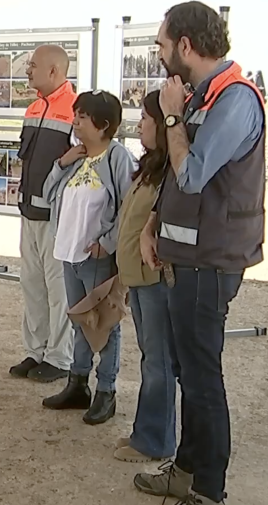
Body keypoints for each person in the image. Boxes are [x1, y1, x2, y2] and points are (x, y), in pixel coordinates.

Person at [134, 3, 265, 505]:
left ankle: (210, 492)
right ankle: (186, 470)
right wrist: (152, 224)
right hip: (185, 256)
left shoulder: (235, 100)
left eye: (163, 46)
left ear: (185, 45)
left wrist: (170, 115)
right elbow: (177, 177)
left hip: (210, 263)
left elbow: (191, 172)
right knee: (189, 369)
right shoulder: (206, 95)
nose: (161, 55)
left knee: (203, 377)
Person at [40, 90, 134, 425]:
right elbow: (48, 194)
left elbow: (129, 205)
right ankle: (77, 383)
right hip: (69, 252)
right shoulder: (77, 156)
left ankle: (105, 391)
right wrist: (61, 163)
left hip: (96, 257)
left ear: (103, 124)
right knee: (81, 320)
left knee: (104, 323)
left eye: (82, 117)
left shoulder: (117, 158)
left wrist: (108, 242)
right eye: (76, 115)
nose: (76, 122)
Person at [114, 90, 176, 463]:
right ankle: (147, 432)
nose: (140, 124)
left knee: (159, 361)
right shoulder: (150, 166)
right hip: (137, 278)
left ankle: (155, 440)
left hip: (155, 278)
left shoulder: (171, 171)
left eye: (147, 119)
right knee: (151, 358)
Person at [8, 45, 77, 383]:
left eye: (33, 66)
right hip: (28, 212)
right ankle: (35, 351)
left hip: (57, 218)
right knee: (32, 285)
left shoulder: (76, 110)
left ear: (54, 71)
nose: (28, 71)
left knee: (57, 288)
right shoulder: (34, 108)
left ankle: (60, 358)